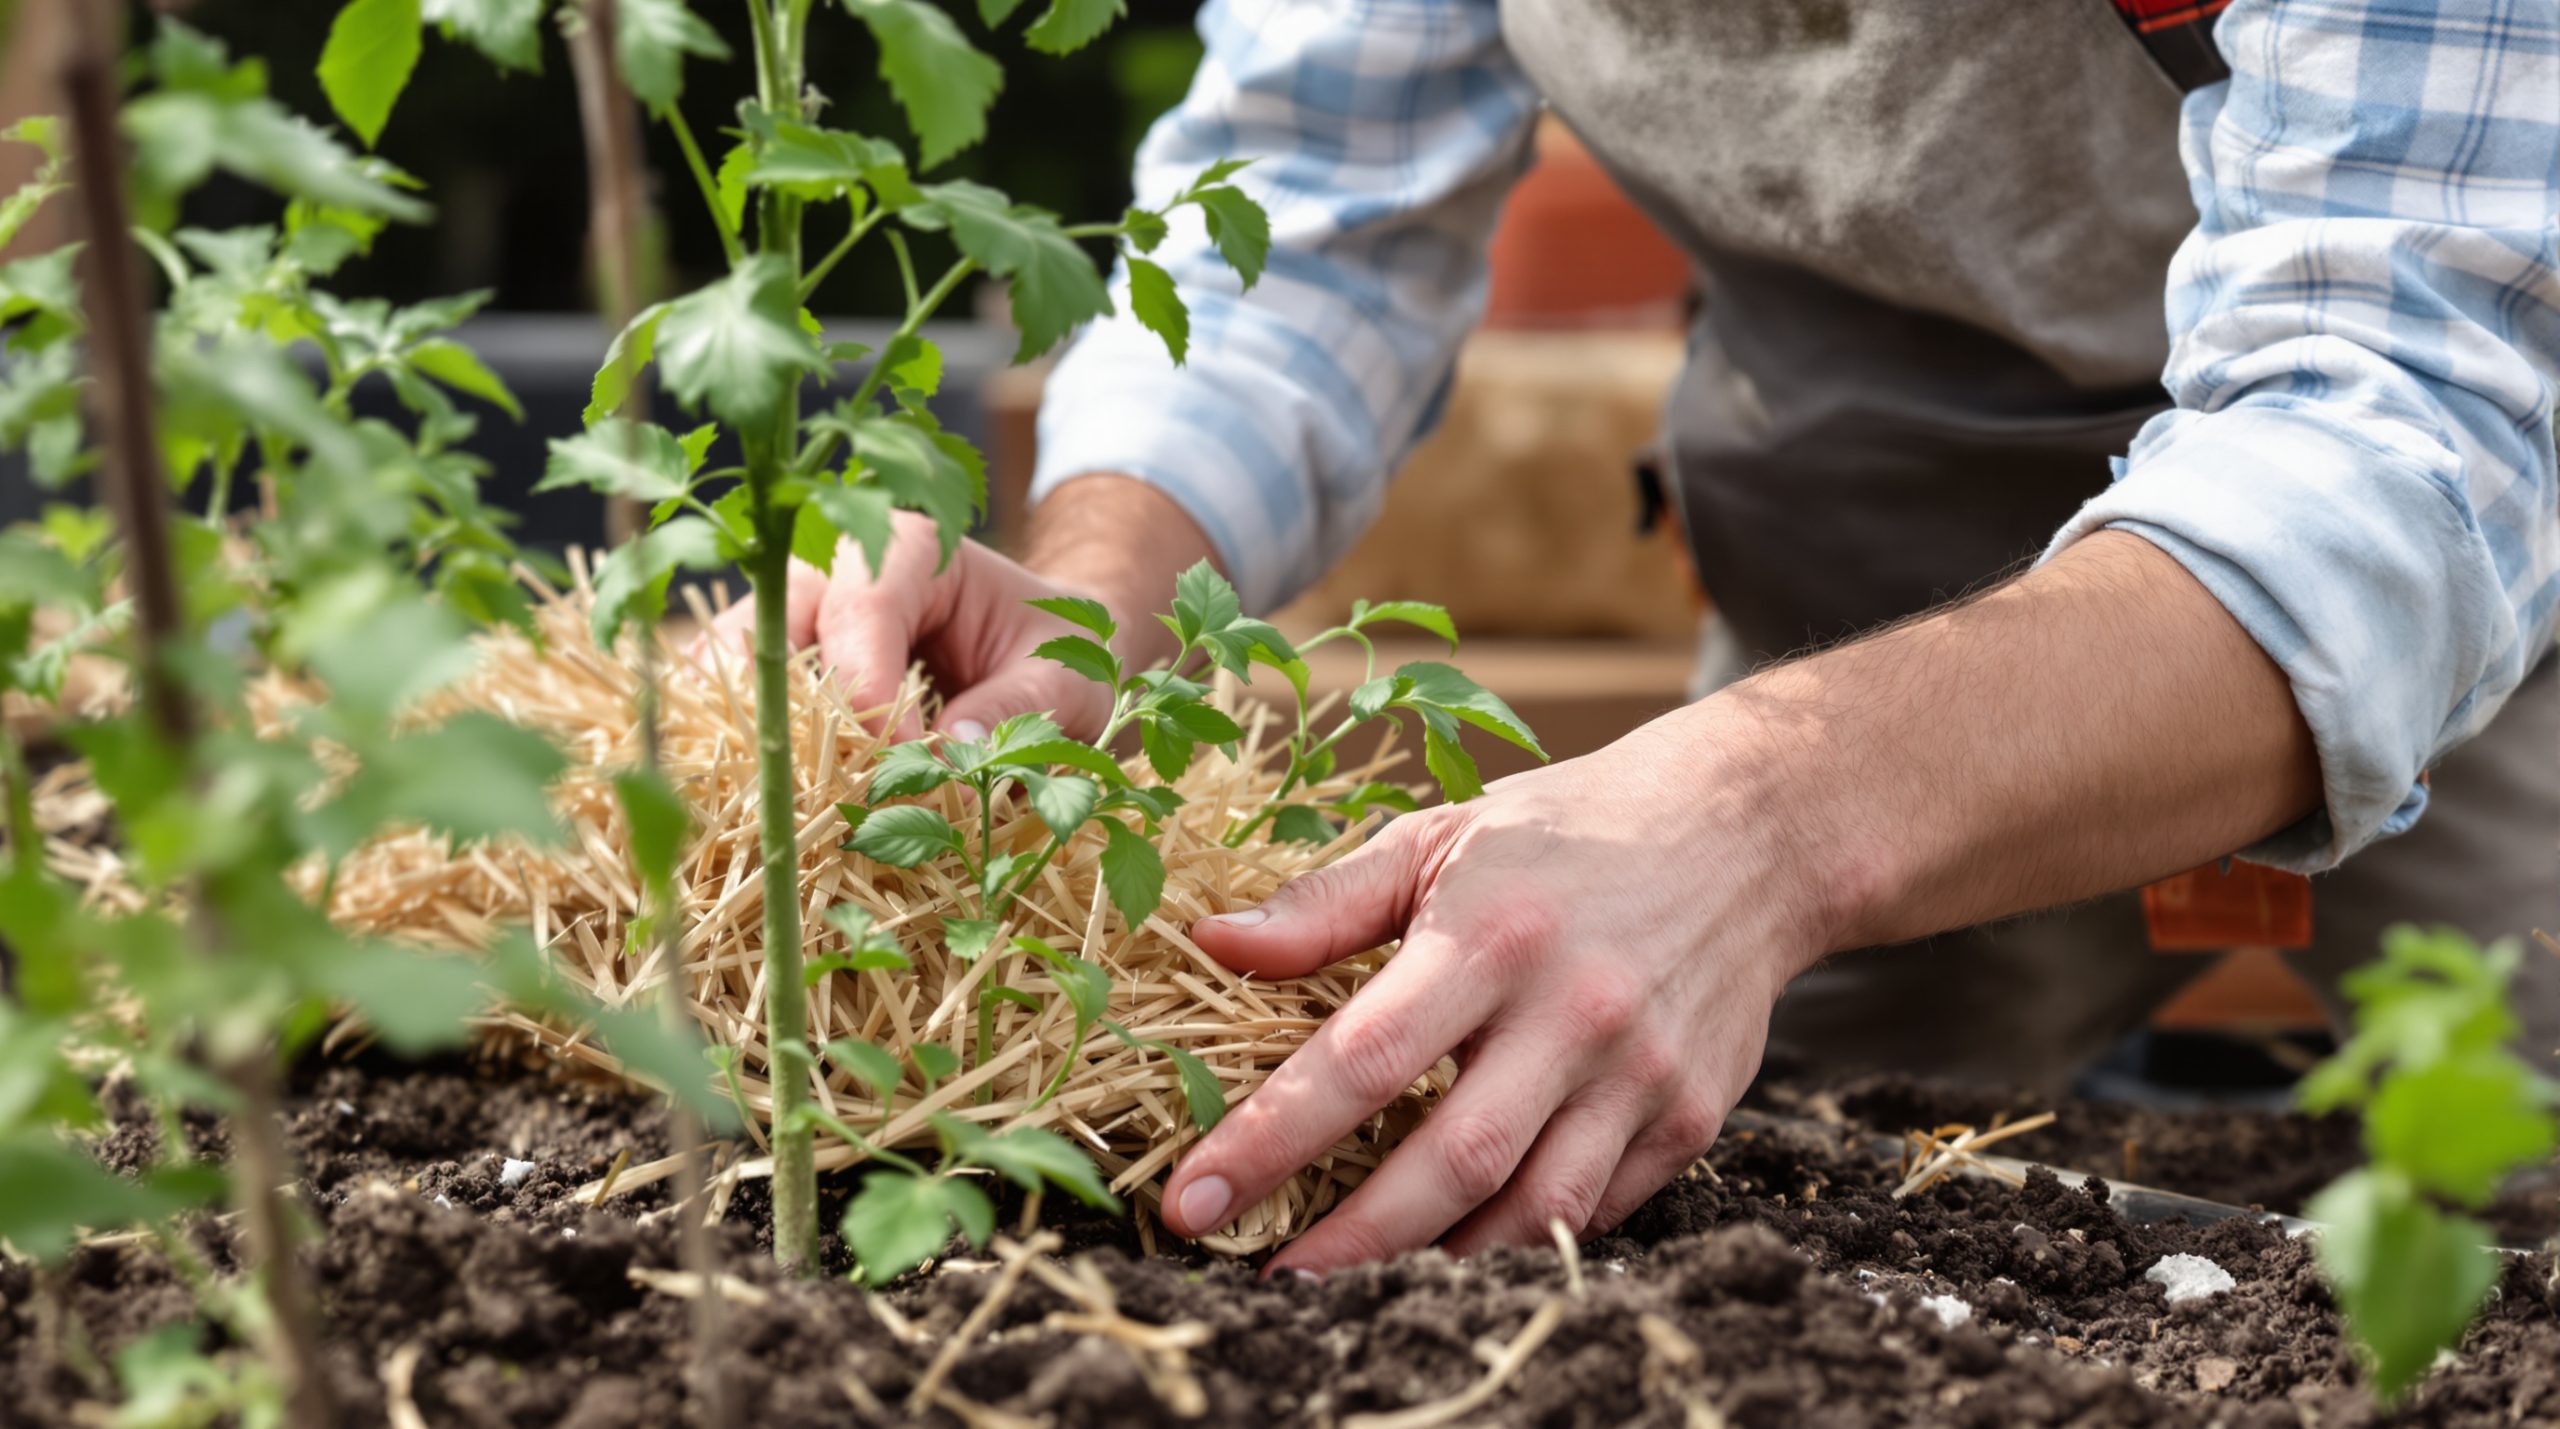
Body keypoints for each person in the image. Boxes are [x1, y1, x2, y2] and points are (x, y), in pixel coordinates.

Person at [715, 0, 2560, 1278]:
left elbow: (2405, 437)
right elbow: (1306, 204)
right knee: (1768, 1208)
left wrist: (1763, 820)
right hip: (1874, 551)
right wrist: (1099, 590)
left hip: (2491, 553)